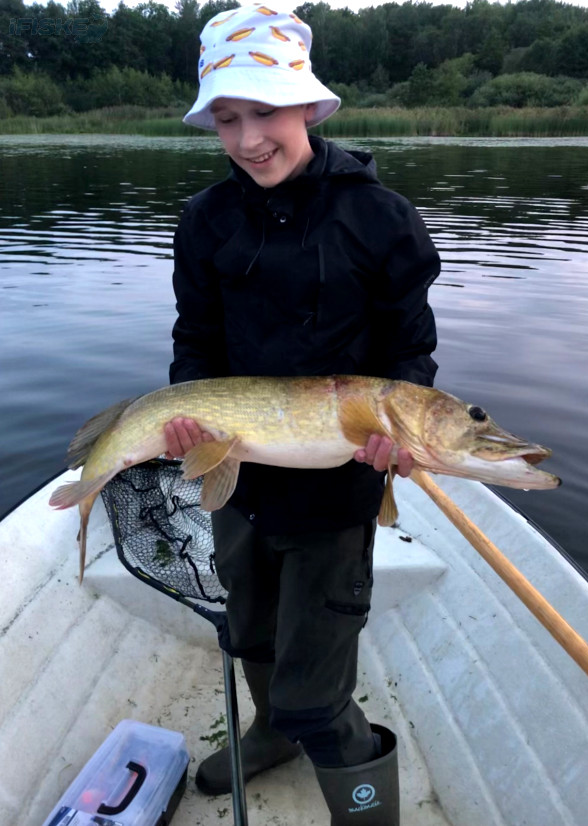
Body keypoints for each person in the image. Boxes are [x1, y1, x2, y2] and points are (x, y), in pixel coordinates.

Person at [165, 5, 440, 823]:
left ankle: (362, 801)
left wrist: (397, 430)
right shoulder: (204, 221)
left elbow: (410, 352)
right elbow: (195, 341)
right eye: (228, 118)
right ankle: (271, 734)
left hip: (335, 493)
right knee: (249, 635)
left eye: (266, 112)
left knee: (315, 695)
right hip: (242, 482)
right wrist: (188, 412)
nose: (250, 139)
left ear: (309, 108)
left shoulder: (381, 218)